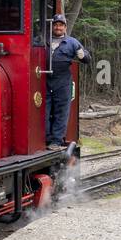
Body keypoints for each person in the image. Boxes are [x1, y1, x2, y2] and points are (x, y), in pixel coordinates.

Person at [45, 13, 89, 150]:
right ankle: (45, 138)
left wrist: (82, 55)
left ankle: (56, 141)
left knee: (61, 112)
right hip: (43, 80)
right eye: (56, 25)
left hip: (63, 82)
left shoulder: (72, 42)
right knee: (43, 111)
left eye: (61, 25)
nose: (58, 27)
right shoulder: (42, 40)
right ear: (52, 26)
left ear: (65, 27)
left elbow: (87, 59)